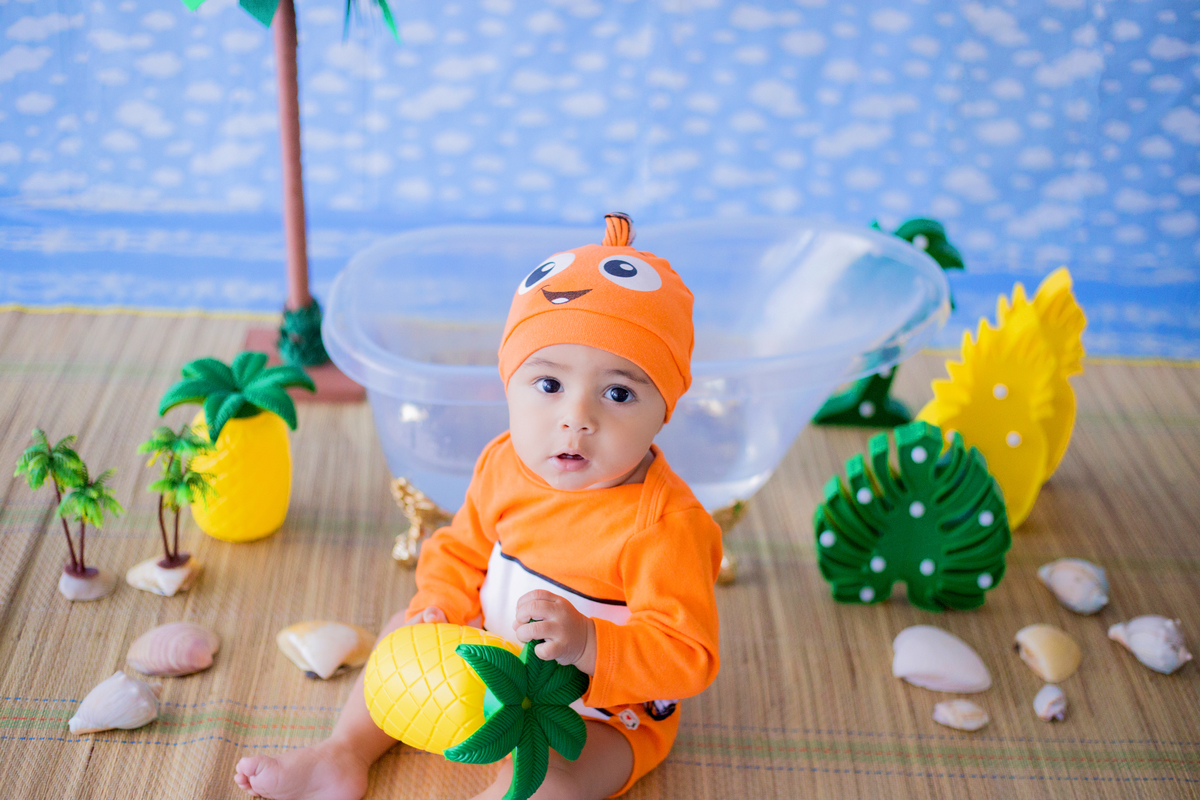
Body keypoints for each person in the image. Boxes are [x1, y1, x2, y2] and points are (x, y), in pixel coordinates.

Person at [234, 213, 722, 800]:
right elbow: (459, 551)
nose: (577, 418)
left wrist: (589, 644)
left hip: (601, 711)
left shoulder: (664, 525)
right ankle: (340, 755)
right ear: (509, 382)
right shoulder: (503, 464)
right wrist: (438, 605)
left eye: (618, 393)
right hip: (489, 655)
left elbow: (687, 655)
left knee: (555, 783)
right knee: (398, 639)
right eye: (548, 385)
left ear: (663, 407)